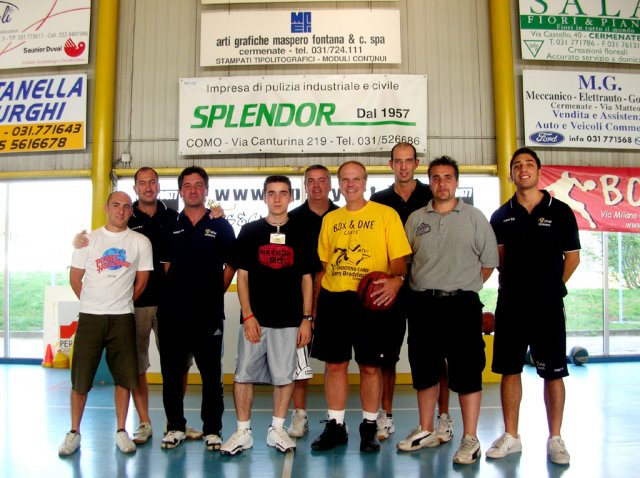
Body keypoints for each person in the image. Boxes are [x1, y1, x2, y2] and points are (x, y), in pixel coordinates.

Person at [72, 167, 212, 444]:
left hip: (172, 304)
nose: (148, 187)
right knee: (136, 365)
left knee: (178, 366)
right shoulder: (126, 216)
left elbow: (200, 223)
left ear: (159, 187)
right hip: (135, 307)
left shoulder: (174, 217)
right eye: (142, 183)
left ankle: (175, 423)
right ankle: (145, 422)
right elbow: (96, 245)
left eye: (153, 182)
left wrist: (216, 213)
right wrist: (78, 240)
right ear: (135, 188)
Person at [400, 156, 498, 465]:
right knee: (425, 371)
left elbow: (488, 263)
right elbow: (406, 263)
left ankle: (470, 438)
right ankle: (426, 429)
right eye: (436, 177)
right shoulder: (416, 219)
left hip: (462, 306)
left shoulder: (475, 217)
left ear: (456, 181)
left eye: (448, 177)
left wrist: (463, 285)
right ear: (429, 182)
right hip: (423, 305)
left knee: (467, 372)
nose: (442, 183)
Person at [487, 147, 580, 465]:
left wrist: (553, 287)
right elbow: (500, 261)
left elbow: (572, 258)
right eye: (517, 165)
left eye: (529, 163)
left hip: (548, 306)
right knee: (509, 370)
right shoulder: (500, 215)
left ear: (539, 171)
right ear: (511, 174)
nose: (522, 168)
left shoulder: (561, 212)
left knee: (553, 373)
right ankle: (511, 436)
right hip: (511, 304)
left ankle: (556, 439)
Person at [310, 161, 412, 453]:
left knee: (370, 366)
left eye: (356, 179)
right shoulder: (331, 219)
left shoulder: (385, 214)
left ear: (365, 182)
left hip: (370, 299)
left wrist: (396, 281)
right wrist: (315, 307)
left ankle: (368, 427)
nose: (351, 184)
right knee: (334, 365)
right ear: (339, 184)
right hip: (334, 300)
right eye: (345, 179)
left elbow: (399, 261)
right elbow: (323, 268)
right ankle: (335, 426)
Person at [220, 175, 314, 456]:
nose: (277, 198)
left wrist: (306, 319)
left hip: (289, 321)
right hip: (255, 321)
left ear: (291, 197)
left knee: (284, 377)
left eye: (282, 193)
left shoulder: (302, 232)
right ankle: (243, 432)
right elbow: (242, 276)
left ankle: (277, 429)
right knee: (243, 376)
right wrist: (248, 315)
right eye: (271, 193)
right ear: (264, 197)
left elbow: (307, 278)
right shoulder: (250, 231)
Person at [58, 191, 153, 456]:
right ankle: (74, 432)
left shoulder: (140, 242)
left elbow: (141, 282)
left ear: (131, 211)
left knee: (124, 378)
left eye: (126, 206)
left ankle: (122, 430)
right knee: (80, 379)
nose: (121, 211)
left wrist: (121, 303)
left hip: (123, 318)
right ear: (106, 208)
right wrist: (93, 303)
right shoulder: (87, 240)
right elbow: (75, 279)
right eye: (116, 205)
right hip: (90, 318)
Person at [370, 143, 453, 443]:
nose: (403, 166)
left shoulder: (431, 195)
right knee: (386, 356)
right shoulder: (378, 201)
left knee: (436, 355)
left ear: (416, 163)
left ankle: (444, 417)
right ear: (390, 164)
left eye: (408, 161)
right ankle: (386, 415)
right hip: (390, 288)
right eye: (398, 161)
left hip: (425, 288)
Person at [158, 166, 236, 451]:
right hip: (173, 314)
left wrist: (214, 292)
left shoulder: (221, 225)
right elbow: (166, 267)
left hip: (209, 314)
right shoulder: (170, 225)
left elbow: (231, 265)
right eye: (188, 185)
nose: (193, 190)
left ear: (206, 190)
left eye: (198, 185)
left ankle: (212, 429)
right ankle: (175, 427)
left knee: (211, 375)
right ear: (181, 191)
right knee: (172, 374)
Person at [285, 165, 338, 438]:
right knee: (299, 360)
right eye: (311, 181)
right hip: (299, 298)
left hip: (334, 296)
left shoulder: (343, 216)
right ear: (304, 186)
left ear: (330, 184)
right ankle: (300, 414)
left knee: (334, 361)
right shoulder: (292, 219)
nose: (316, 186)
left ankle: (334, 417)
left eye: (322, 180)